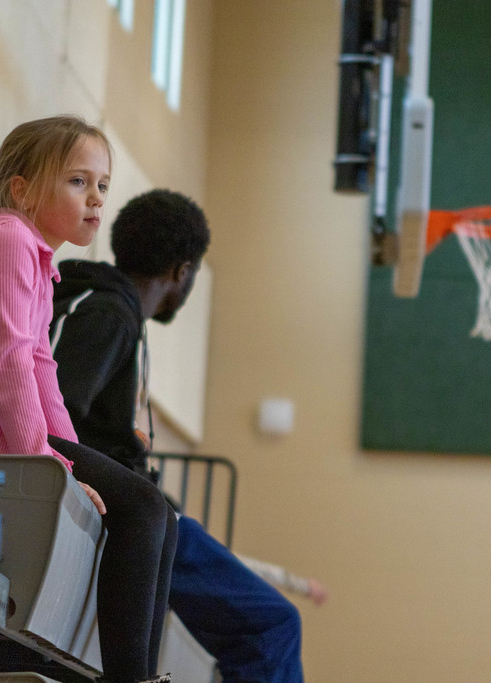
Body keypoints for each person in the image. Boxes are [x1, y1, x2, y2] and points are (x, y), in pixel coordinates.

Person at [0, 116, 177, 683]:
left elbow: (41, 367)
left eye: (103, 186)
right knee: (145, 509)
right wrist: (47, 462)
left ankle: (136, 675)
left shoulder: (35, 257)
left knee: (156, 512)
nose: (95, 200)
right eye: (78, 182)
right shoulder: (6, 238)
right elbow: (7, 362)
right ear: (23, 190)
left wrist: (70, 456)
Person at [51, 188, 323, 683]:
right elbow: (55, 411)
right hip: (122, 513)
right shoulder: (108, 313)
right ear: (183, 270)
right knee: (274, 626)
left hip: (139, 510)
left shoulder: (100, 302)